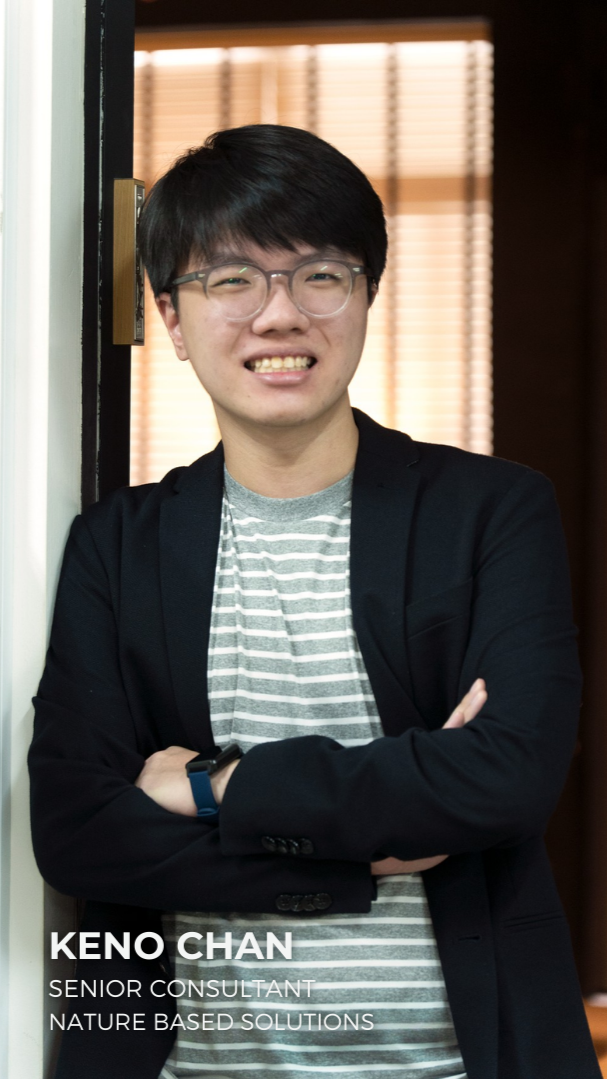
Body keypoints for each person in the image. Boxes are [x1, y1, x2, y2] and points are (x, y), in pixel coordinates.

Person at [29, 124, 600, 1079]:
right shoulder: (117, 546)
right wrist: (358, 848)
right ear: (171, 317)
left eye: (319, 276)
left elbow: (506, 778)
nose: (278, 315)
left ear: (366, 295)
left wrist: (217, 785)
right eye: (230, 280)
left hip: (454, 1063)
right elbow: (79, 835)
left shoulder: (490, 511)